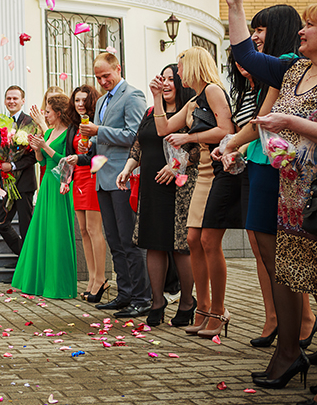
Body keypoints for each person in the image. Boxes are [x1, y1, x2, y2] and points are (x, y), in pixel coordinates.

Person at [222, 0, 317, 396]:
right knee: (288, 268)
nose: (301, 29)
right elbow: (245, 52)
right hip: (293, 192)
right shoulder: (293, 67)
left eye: (310, 24)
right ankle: (288, 351)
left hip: (314, 189)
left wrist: (292, 123)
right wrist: (236, 5)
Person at [151, 47, 235, 339]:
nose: (178, 73)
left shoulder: (213, 90)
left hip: (217, 170)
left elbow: (227, 129)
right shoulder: (193, 101)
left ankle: (218, 310)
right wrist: (157, 97)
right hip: (202, 171)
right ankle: (204, 308)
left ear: (194, 66)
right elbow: (162, 128)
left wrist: (190, 137)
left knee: (209, 242)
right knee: (193, 239)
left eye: (181, 67)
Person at [117, 64, 198, 327]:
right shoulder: (152, 111)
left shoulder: (190, 111)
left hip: (179, 184)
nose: (165, 83)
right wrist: (128, 169)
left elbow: (199, 148)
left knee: (179, 246)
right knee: (153, 243)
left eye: (171, 79)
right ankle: (157, 302)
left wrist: (176, 167)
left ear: (182, 83)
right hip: (152, 183)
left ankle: (187, 302)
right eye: (162, 78)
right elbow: (138, 144)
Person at [78, 52, 148, 316]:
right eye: (98, 77)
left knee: (129, 240)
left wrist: (98, 132)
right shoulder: (101, 102)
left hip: (123, 176)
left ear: (118, 68)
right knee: (114, 240)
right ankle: (125, 293)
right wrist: (91, 143)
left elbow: (135, 135)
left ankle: (142, 297)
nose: (103, 81)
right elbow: (104, 139)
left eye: (106, 75)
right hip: (103, 178)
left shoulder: (133, 95)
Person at [12, 94, 77, 299]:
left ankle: (59, 285)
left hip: (60, 185)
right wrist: (37, 148)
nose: (45, 115)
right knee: (42, 231)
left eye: (48, 112)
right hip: (47, 183)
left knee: (56, 233)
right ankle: (39, 282)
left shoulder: (68, 133)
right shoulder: (49, 131)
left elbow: (65, 162)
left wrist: (45, 146)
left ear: (58, 113)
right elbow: (41, 161)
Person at [65, 84, 107, 302]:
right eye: (77, 100)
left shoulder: (97, 123)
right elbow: (70, 153)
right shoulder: (74, 124)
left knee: (93, 229)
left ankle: (101, 278)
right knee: (82, 230)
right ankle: (91, 278)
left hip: (93, 175)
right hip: (78, 178)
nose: (80, 104)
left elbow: (101, 155)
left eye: (84, 100)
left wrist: (87, 152)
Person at [0, 85, 38, 256]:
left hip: (24, 184)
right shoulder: (0, 122)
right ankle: (23, 259)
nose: (12, 101)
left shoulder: (31, 123)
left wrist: (12, 166)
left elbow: (34, 156)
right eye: (9, 98)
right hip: (7, 185)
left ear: (22, 101)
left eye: (15, 98)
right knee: (0, 223)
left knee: (26, 228)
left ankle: (28, 271)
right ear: (4, 101)